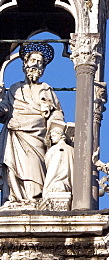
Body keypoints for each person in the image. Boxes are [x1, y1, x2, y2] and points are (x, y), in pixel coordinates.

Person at [0, 45, 64, 205]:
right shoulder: (15, 88)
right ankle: (14, 198)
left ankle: (33, 199)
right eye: (33, 60)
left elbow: (57, 113)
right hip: (15, 134)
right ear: (25, 64)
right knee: (13, 168)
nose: (36, 65)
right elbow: (5, 109)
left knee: (34, 168)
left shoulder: (46, 89)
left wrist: (56, 129)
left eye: (40, 62)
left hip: (37, 137)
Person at [42, 121, 73, 202]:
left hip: (55, 181)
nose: (52, 138)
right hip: (66, 183)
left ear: (60, 136)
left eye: (53, 136)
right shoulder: (71, 150)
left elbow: (50, 167)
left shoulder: (55, 149)